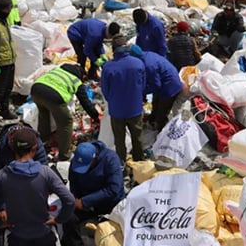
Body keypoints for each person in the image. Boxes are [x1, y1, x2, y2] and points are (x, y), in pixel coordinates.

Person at [63, 141, 124, 246]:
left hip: (110, 205)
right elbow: (74, 186)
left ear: (95, 158)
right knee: (68, 217)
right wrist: (77, 202)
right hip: (87, 204)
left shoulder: (111, 159)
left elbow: (114, 189)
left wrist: (85, 201)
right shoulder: (76, 163)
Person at [31, 64, 100, 161]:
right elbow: (85, 103)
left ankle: (43, 141)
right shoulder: (76, 81)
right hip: (53, 96)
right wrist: (96, 116)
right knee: (66, 123)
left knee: (44, 115)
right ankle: (64, 155)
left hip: (36, 89)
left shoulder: (58, 70)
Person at [101, 35, 146, 163]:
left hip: (117, 110)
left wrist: (114, 100)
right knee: (137, 137)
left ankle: (121, 164)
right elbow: (142, 85)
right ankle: (139, 162)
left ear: (113, 49)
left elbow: (105, 91)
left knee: (119, 140)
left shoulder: (108, 67)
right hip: (135, 108)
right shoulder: (138, 63)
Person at [131, 46, 187, 131]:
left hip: (170, 86)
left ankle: (160, 135)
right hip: (165, 83)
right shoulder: (147, 55)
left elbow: (156, 85)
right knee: (155, 104)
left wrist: (142, 92)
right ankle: (152, 120)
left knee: (161, 112)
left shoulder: (148, 65)